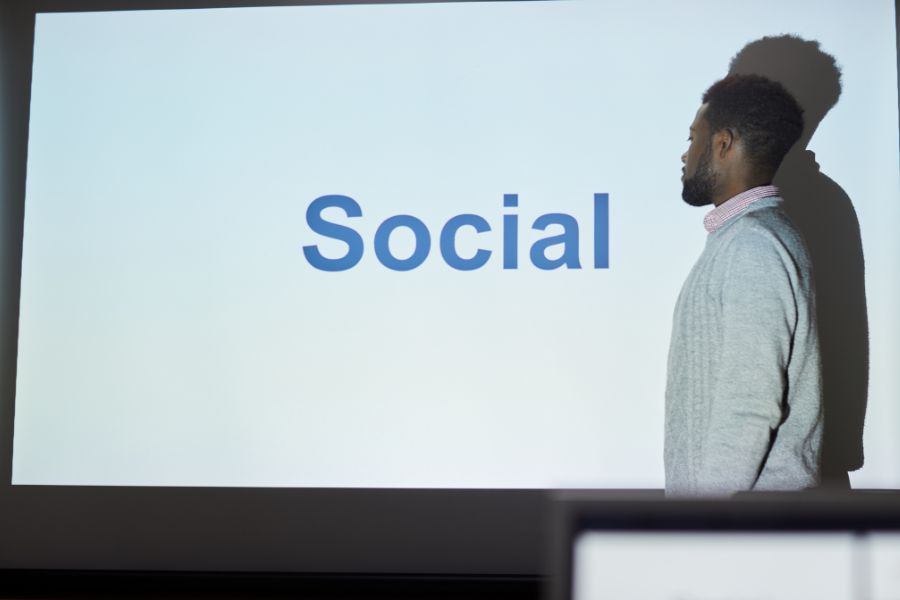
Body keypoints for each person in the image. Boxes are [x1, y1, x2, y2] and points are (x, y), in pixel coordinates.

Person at [665, 73, 823, 496]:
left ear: (722, 143)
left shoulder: (753, 245)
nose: (684, 154)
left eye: (692, 138)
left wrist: (705, 525)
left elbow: (748, 407)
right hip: (739, 527)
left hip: (743, 532)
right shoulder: (743, 239)